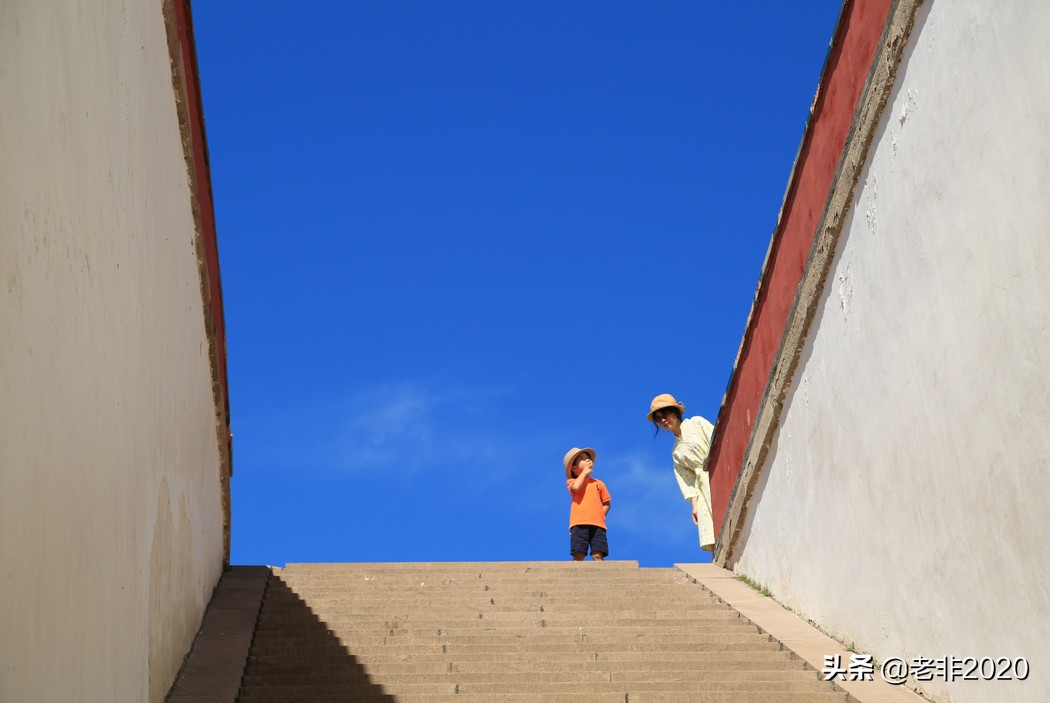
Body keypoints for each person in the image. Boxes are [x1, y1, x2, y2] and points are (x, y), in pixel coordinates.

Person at [648, 394, 715, 552]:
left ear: (675, 412)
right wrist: (694, 505)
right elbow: (687, 480)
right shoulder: (676, 452)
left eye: (665, 414)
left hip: (716, 471)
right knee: (711, 527)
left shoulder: (696, 422)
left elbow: (717, 440)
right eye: (658, 418)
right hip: (702, 486)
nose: (663, 420)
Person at [563, 447, 611, 561]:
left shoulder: (599, 483)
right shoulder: (572, 481)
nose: (588, 460)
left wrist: (601, 516)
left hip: (598, 525)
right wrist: (584, 472)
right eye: (583, 459)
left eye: (588, 458)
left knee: (598, 554)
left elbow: (607, 503)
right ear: (574, 468)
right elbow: (575, 488)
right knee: (579, 553)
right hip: (579, 523)